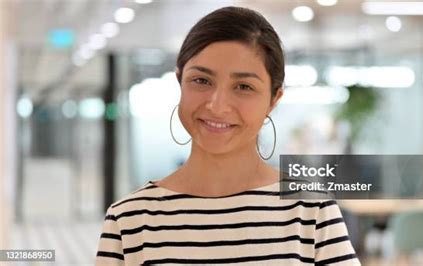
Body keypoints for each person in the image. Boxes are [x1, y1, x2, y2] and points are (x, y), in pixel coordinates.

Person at [96, 6, 360, 265]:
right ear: (179, 82)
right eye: (201, 80)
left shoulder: (311, 211)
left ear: (274, 99)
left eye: (243, 86)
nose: (217, 105)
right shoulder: (130, 219)